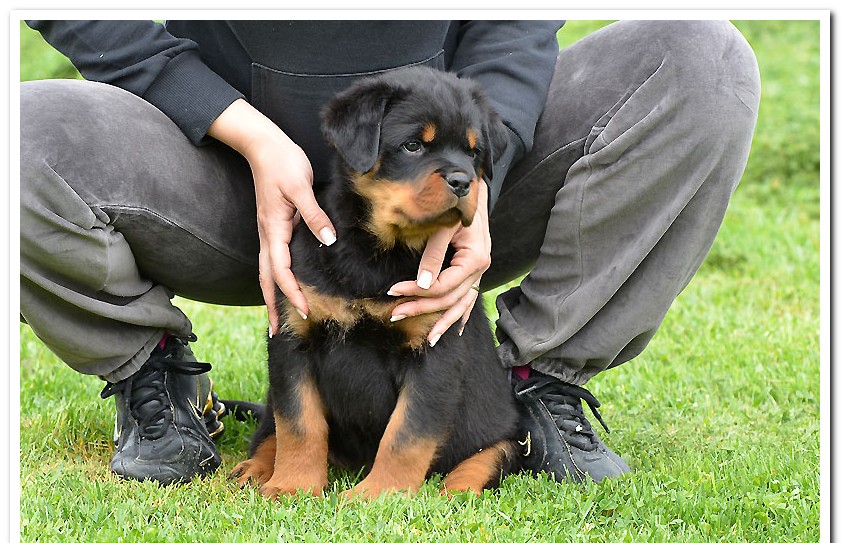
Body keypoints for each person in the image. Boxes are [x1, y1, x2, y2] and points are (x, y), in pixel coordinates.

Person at [20, 20, 760, 486]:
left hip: (446, 188)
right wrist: (241, 129)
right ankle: (157, 384)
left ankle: (537, 383)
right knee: (17, 132)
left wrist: (482, 180)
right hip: (215, 168)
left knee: (700, 55)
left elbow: (514, 28)